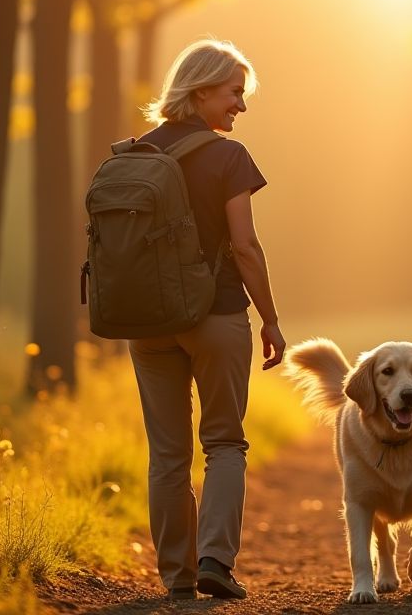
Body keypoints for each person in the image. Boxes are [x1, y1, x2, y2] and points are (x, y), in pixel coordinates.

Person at [129, 38, 285, 601]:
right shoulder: (228, 157)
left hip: (147, 323)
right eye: (234, 92)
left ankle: (178, 576)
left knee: (167, 455)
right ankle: (215, 560)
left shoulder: (133, 155)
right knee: (224, 442)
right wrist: (270, 319)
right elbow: (244, 247)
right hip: (215, 314)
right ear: (200, 91)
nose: (241, 105)